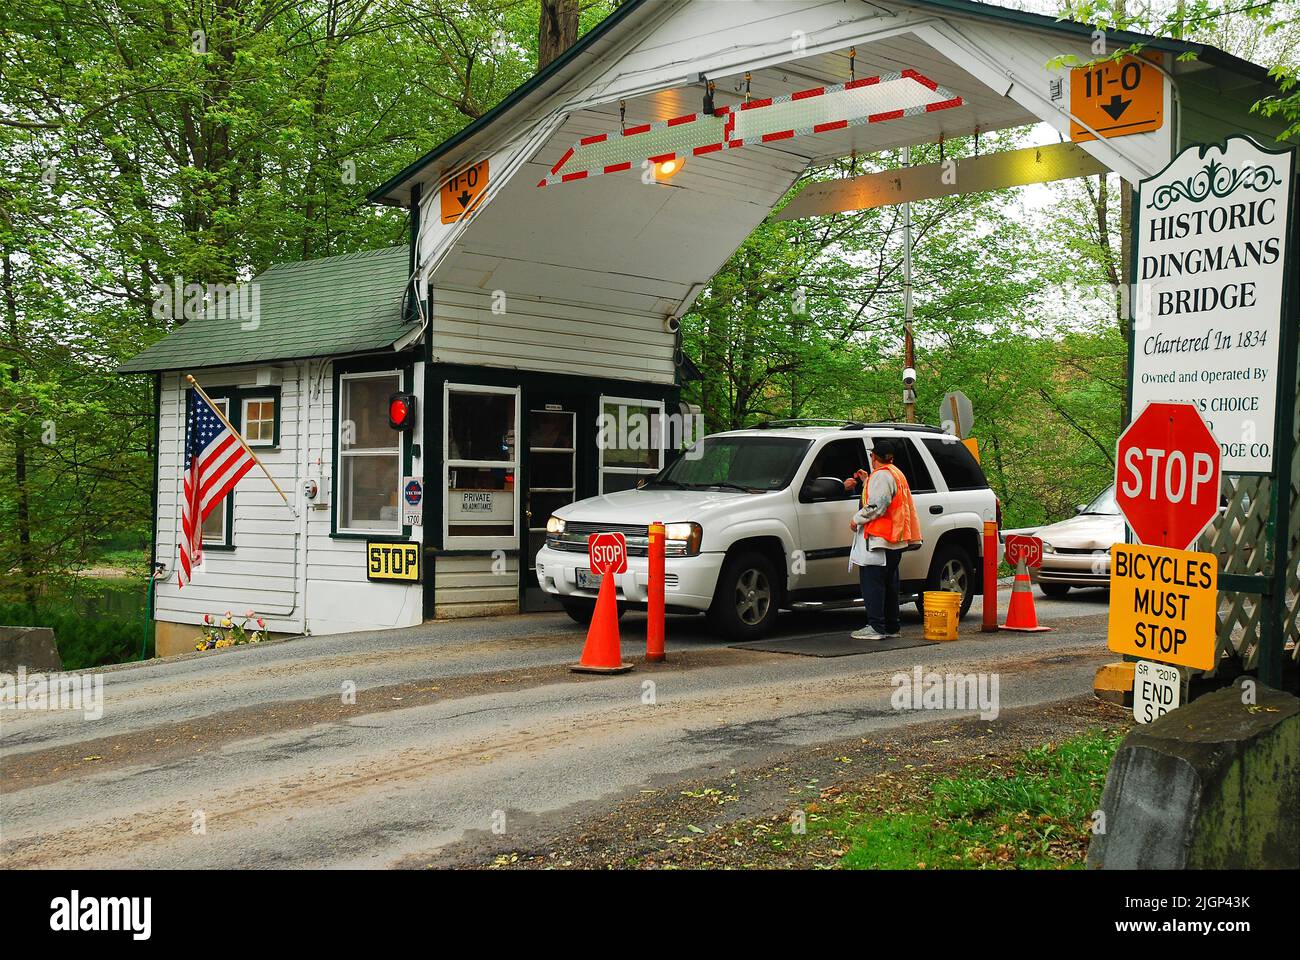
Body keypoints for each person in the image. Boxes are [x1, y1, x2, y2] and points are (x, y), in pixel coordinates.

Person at [844, 438, 922, 640]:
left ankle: (876, 627)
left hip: (880, 539)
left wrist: (856, 519)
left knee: (873, 583)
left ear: (874, 457)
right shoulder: (895, 473)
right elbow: (887, 496)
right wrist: (866, 481)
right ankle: (891, 626)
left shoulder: (881, 477)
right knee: (890, 584)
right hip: (896, 539)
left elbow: (878, 505)